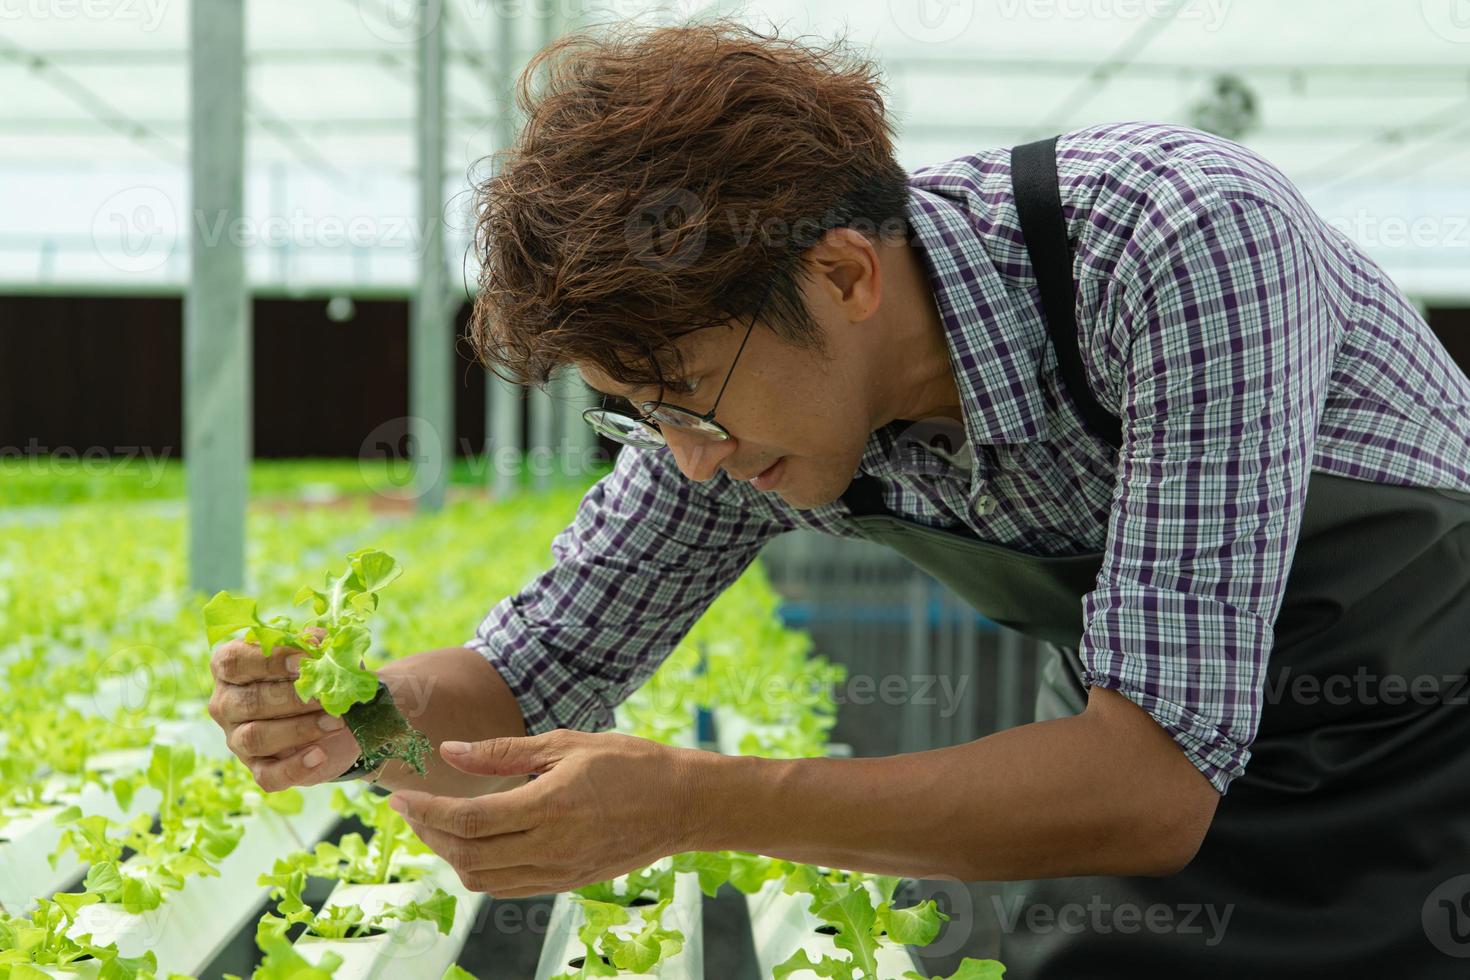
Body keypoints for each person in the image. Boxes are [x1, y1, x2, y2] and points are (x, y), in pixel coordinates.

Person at [208, 21, 1470, 976]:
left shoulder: (1178, 240)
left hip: (1415, 741)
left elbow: (1149, 783)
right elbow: (545, 662)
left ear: (844, 272)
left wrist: (695, 797)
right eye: (639, 415)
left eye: (689, 400)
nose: (683, 455)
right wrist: (358, 718)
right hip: (1136, 718)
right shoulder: (745, 399)